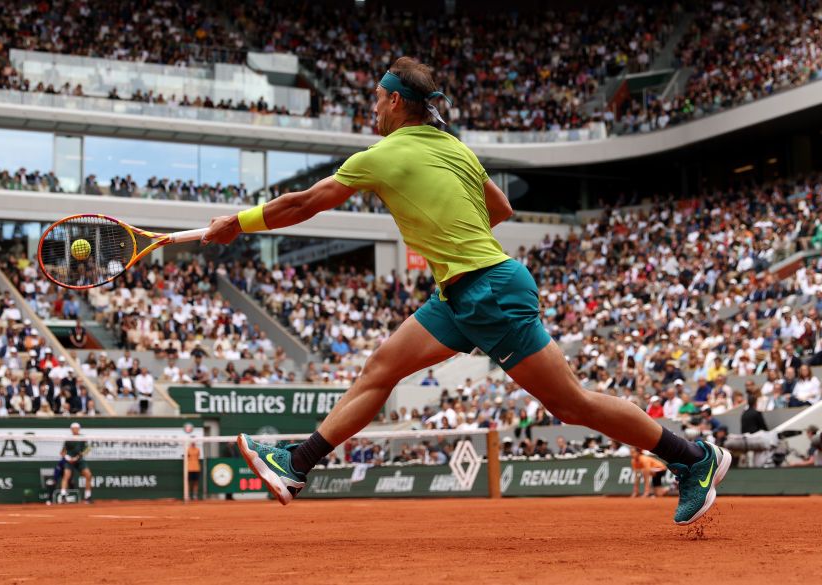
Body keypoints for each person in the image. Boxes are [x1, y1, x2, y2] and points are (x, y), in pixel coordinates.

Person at [204, 56, 730, 525]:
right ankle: (296, 464)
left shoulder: (383, 154)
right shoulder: (454, 148)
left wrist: (239, 222)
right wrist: (451, 231)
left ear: (393, 101)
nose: (373, 113)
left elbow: (303, 205)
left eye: (376, 102)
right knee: (381, 368)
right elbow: (500, 210)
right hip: (459, 295)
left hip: (487, 290)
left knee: (571, 405)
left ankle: (693, 457)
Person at [59, 422, 93, 503]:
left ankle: (88, 497)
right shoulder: (68, 439)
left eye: (77, 428)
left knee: (88, 475)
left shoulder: (82, 438)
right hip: (69, 460)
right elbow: (62, 452)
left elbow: (87, 449)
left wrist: (78, 457)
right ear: (71, 429)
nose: (75, 430)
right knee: (66, 475)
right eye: (74, 428)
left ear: (79, 429)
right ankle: (63, 496)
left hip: (79, 460)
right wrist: (68, 458)